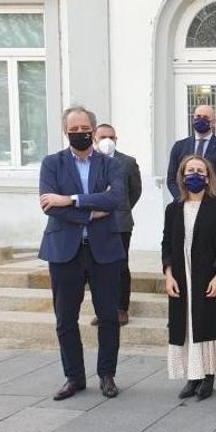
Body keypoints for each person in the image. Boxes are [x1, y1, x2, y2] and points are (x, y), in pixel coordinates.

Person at [38, 106, 125, 400]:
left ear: (93, 128)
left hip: (104, 250)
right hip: (64, 250)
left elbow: (115, 198)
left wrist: (70, 199)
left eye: (84, 129)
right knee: (65, 319)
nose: (79, 134)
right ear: (66, 132)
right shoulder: (52, 164)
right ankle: (74, 377)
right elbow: (50, 206)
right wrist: (89, 214)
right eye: (73, 130)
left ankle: (107, 375)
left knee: (109, 317)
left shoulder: (109, 164)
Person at [162, 155, 216, 400]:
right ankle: (192, 377)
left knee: (206, 325)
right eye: (190, 170)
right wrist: (168, 274)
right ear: (182, 176)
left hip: (207, 275)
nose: (195, 174)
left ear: (208, 176)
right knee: (187, 327)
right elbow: (166, 245)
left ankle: (208, 377)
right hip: (182, 276)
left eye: (200, 170)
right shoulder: (173, 208)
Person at [90, 124, 142, 327]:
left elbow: (134, 192)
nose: (107, 140)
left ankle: (121, 308)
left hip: (120, 222)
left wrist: (121, 209)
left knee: (120, 266)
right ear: (94, 138)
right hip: (93, 222)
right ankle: (102, 310)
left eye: (111, 137)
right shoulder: (88, 162)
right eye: (103, 136)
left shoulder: (127, 163)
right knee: (96, 267)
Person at [167, 105, 216, 201]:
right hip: (183, 204)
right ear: (193, 119)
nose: (201, 120)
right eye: (198, 117)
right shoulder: (179, 146)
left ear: (214, 123)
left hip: (215, 207)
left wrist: (207, 202)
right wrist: (184, 198)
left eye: (206, 117)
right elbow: (171, 180)